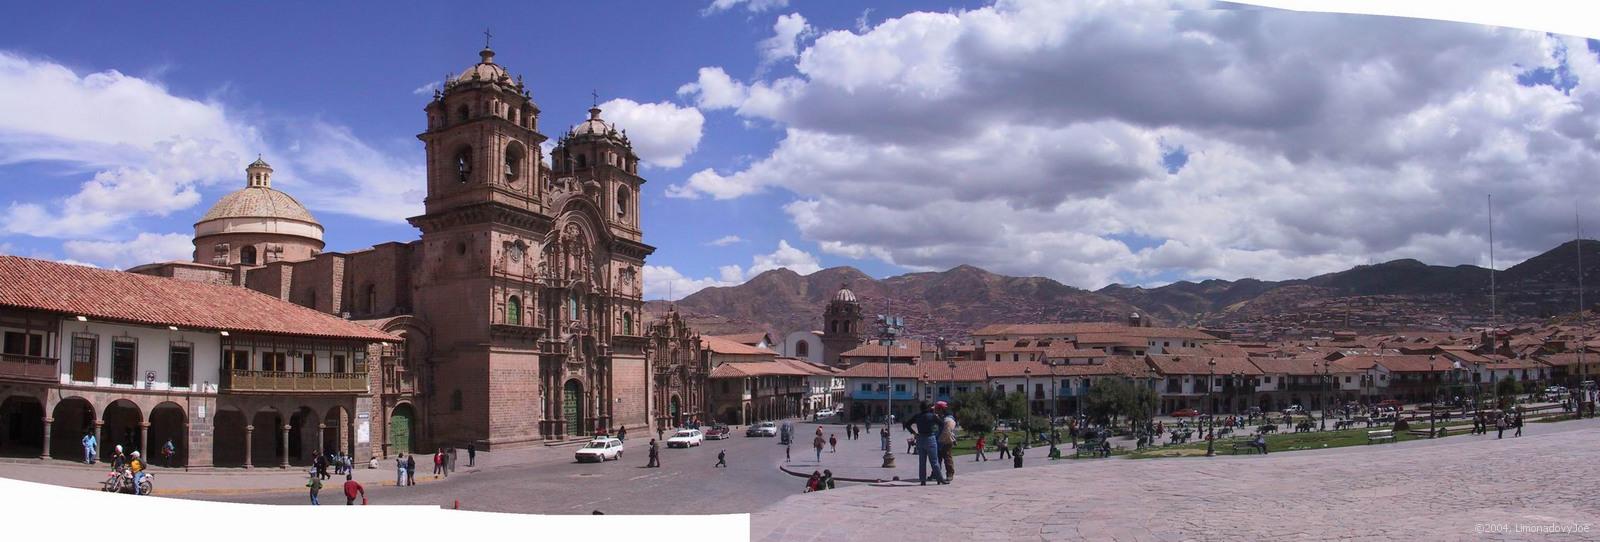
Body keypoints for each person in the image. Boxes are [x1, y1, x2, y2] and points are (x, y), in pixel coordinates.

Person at [902, 401, 947, 486]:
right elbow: (942, 424)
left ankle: (923, 480)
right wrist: (935, 427)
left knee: (922, 461)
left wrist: (914, 433)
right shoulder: (932, 416)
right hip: (930, 438)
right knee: (934, 461)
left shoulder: (917, 416)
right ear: (929, 408)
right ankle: (939, 478)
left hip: (920, 438)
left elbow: (907, 424)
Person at [936, 402, 957, 482]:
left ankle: (950, 474)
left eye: (937, 409)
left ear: (941, 409)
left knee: (947, 458)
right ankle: (936, 474)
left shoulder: (948, 419)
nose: (936, 411)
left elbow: (947, 432)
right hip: (939, 441)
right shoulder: (942, 417)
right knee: (938, 459)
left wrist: (940, 440)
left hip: (945, 441)